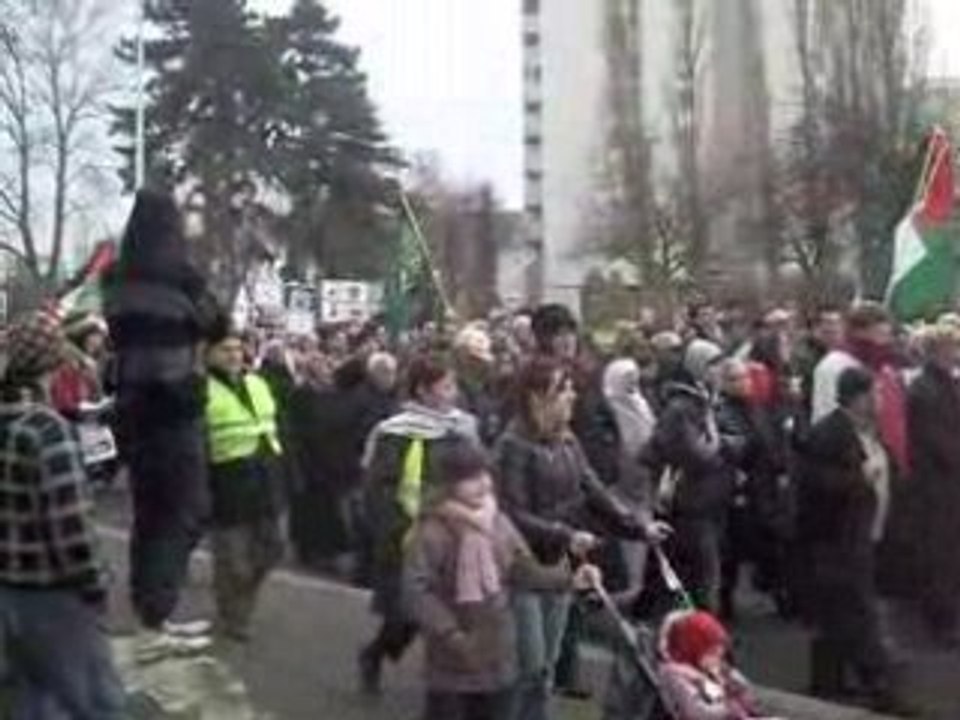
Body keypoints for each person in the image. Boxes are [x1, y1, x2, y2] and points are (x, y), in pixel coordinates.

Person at [496, 357, 657, 720]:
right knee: (530, 665)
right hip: (523, 567)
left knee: (548, 665)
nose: (571, 395)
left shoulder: (568, 440)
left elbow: (594, 490)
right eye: (562, 389)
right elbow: (513, 511)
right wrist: (567, 534)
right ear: (538, 398)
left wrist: (638, 527)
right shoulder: (513, 445)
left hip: (562, 563)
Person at [104, 189, 225, 658]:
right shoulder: (183, 278)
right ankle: (158, 605)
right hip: (176, 407)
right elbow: (218, 324)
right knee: (188, 509)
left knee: (149, 510)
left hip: (133, 408)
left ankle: (147, 608)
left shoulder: (115, 278)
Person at [406, 443, 602, 720]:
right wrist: (452, 634)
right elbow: (417, 590)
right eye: (469, 478)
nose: (481, 483)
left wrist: (570, 579)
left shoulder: (498, 523)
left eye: (483, 474)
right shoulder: (432, 531)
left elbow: (524, 571)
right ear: (447, 484)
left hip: (497, 656)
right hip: (450, 664)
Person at [0, 311, 125, 718]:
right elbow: (71, 526)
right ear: (51, 365)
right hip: (52, 594)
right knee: (95, 702)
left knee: (33, 700)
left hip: (8, 594)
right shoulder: (46, 430)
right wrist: (94, 583)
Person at [359, 354, 480, 694]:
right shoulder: (396, 432)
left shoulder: (463, 429)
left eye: (454, 386)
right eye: (446, 387)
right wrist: (396, 528)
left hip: (454, 536)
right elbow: (380, 488)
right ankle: (375, 653)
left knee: (447, 616)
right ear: (423, 391)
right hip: (408, 536)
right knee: (407, 616)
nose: (453, 394)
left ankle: (443, 693)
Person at [798, 367, 914, 715]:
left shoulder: (868, 430)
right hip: (838, 540)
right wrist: (857, 479)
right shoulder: (828, 433)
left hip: (866, 533)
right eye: (875, 393)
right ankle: (881, 688)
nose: (881, 399)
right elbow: (813, 484)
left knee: (838, 613)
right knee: (861, 612)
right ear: (859, 398)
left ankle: (828, 682)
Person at [645, 339, 741, 612]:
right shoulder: (682, 407)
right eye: (714, 366)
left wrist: (720, 443)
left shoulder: (709, 402)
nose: (720, 372)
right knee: (703, 577)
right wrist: (721, 444)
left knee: (706, 573)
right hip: (691, 502)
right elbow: (698, 454)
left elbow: (735, 441)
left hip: (712, 500)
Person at [204, 332, 285, 642]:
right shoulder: (202, 390)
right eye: (225, 349)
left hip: (265, 478)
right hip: (227, 482)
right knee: (234, 561)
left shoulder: (258, 383)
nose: (234, 355)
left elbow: (278, 428)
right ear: (209, 354)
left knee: (272, 549)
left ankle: (236, 604)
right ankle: (234, 616)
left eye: (238, 348)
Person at [907, 324, 960, 646]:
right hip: (936, 483)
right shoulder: (925, 389)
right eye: (952, 347)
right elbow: (938, 441)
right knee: (939, 551)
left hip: (947, 482)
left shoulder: (945, 384)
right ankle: (941, 620)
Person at [659, 610, 779, 720]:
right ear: (693, 649)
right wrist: (728, 708)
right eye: (711, 652)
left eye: (720, 653)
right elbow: (695, 711)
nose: (717, 658)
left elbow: (744, 692)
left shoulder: (710, 665)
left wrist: (736, 684)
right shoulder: (676, 674)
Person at [455, 324, 502, 446]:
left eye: (481, 361)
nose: (481, 366)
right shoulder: (450, 389)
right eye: (474, 359)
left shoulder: (487, 388)